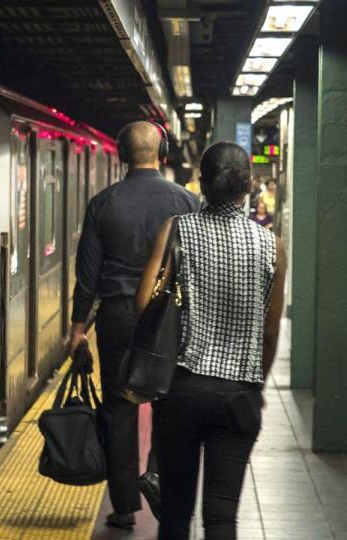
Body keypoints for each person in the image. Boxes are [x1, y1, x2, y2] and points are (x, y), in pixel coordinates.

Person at [137, 142, 286, 540]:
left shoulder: (177, 230)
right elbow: (270, 332)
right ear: (248, 185)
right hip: (238, 396)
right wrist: (254, 382)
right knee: (222, 519)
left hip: (181, 391)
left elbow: (142, 303)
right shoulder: (271, 245)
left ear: (201, 183)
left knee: (174, 514)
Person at [69, 121, 200, 528]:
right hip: (169, 315)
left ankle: (124, 506)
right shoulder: (188, 202)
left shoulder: (102, 203)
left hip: (118, 316)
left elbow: (87, 274)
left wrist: (77, 328)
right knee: (169, 402)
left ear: (122, 157)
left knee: (119, 407)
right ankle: (160, 480)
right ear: (162, 155)